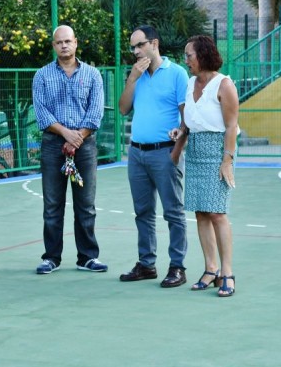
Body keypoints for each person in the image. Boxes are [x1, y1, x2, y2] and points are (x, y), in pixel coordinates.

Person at [32, 25, 107, 274]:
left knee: (86, 204)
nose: (64, 46)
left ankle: (87, 257)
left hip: (84, 146)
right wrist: (65, 134)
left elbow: (95, 112)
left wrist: (78, 138)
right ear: (53, 46)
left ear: (76, 43)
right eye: (59, 42)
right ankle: (51, 257)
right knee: (52, 204)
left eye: (68, 41)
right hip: (53, 144)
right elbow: (41, 112)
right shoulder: (41, 75)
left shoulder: (93, 75)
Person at [118, 25, 190, 288]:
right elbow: (123, 109)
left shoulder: (177, 74)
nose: (136, 51)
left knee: (173, 212)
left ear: (154, 43)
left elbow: (186, 120)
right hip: (137, 154)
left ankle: (177, 266)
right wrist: (131, 79)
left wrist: (176, 151)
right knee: (143, 212)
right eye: (133, 47)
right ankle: (147, 264)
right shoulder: (136, 76)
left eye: (140, 45)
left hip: (164, 153)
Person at [170, 35, 239, 297]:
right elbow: (189, 122)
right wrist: (179, 132)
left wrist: (227, 160)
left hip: (217, 151)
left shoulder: (224, 84)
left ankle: (227, 272)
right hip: (196, 150)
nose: (186, 60)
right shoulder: (190, 83)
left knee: (218, 213)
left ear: (204, 55)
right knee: (200, 212)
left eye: (190, 55)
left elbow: (231, 126)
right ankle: (210, 269)